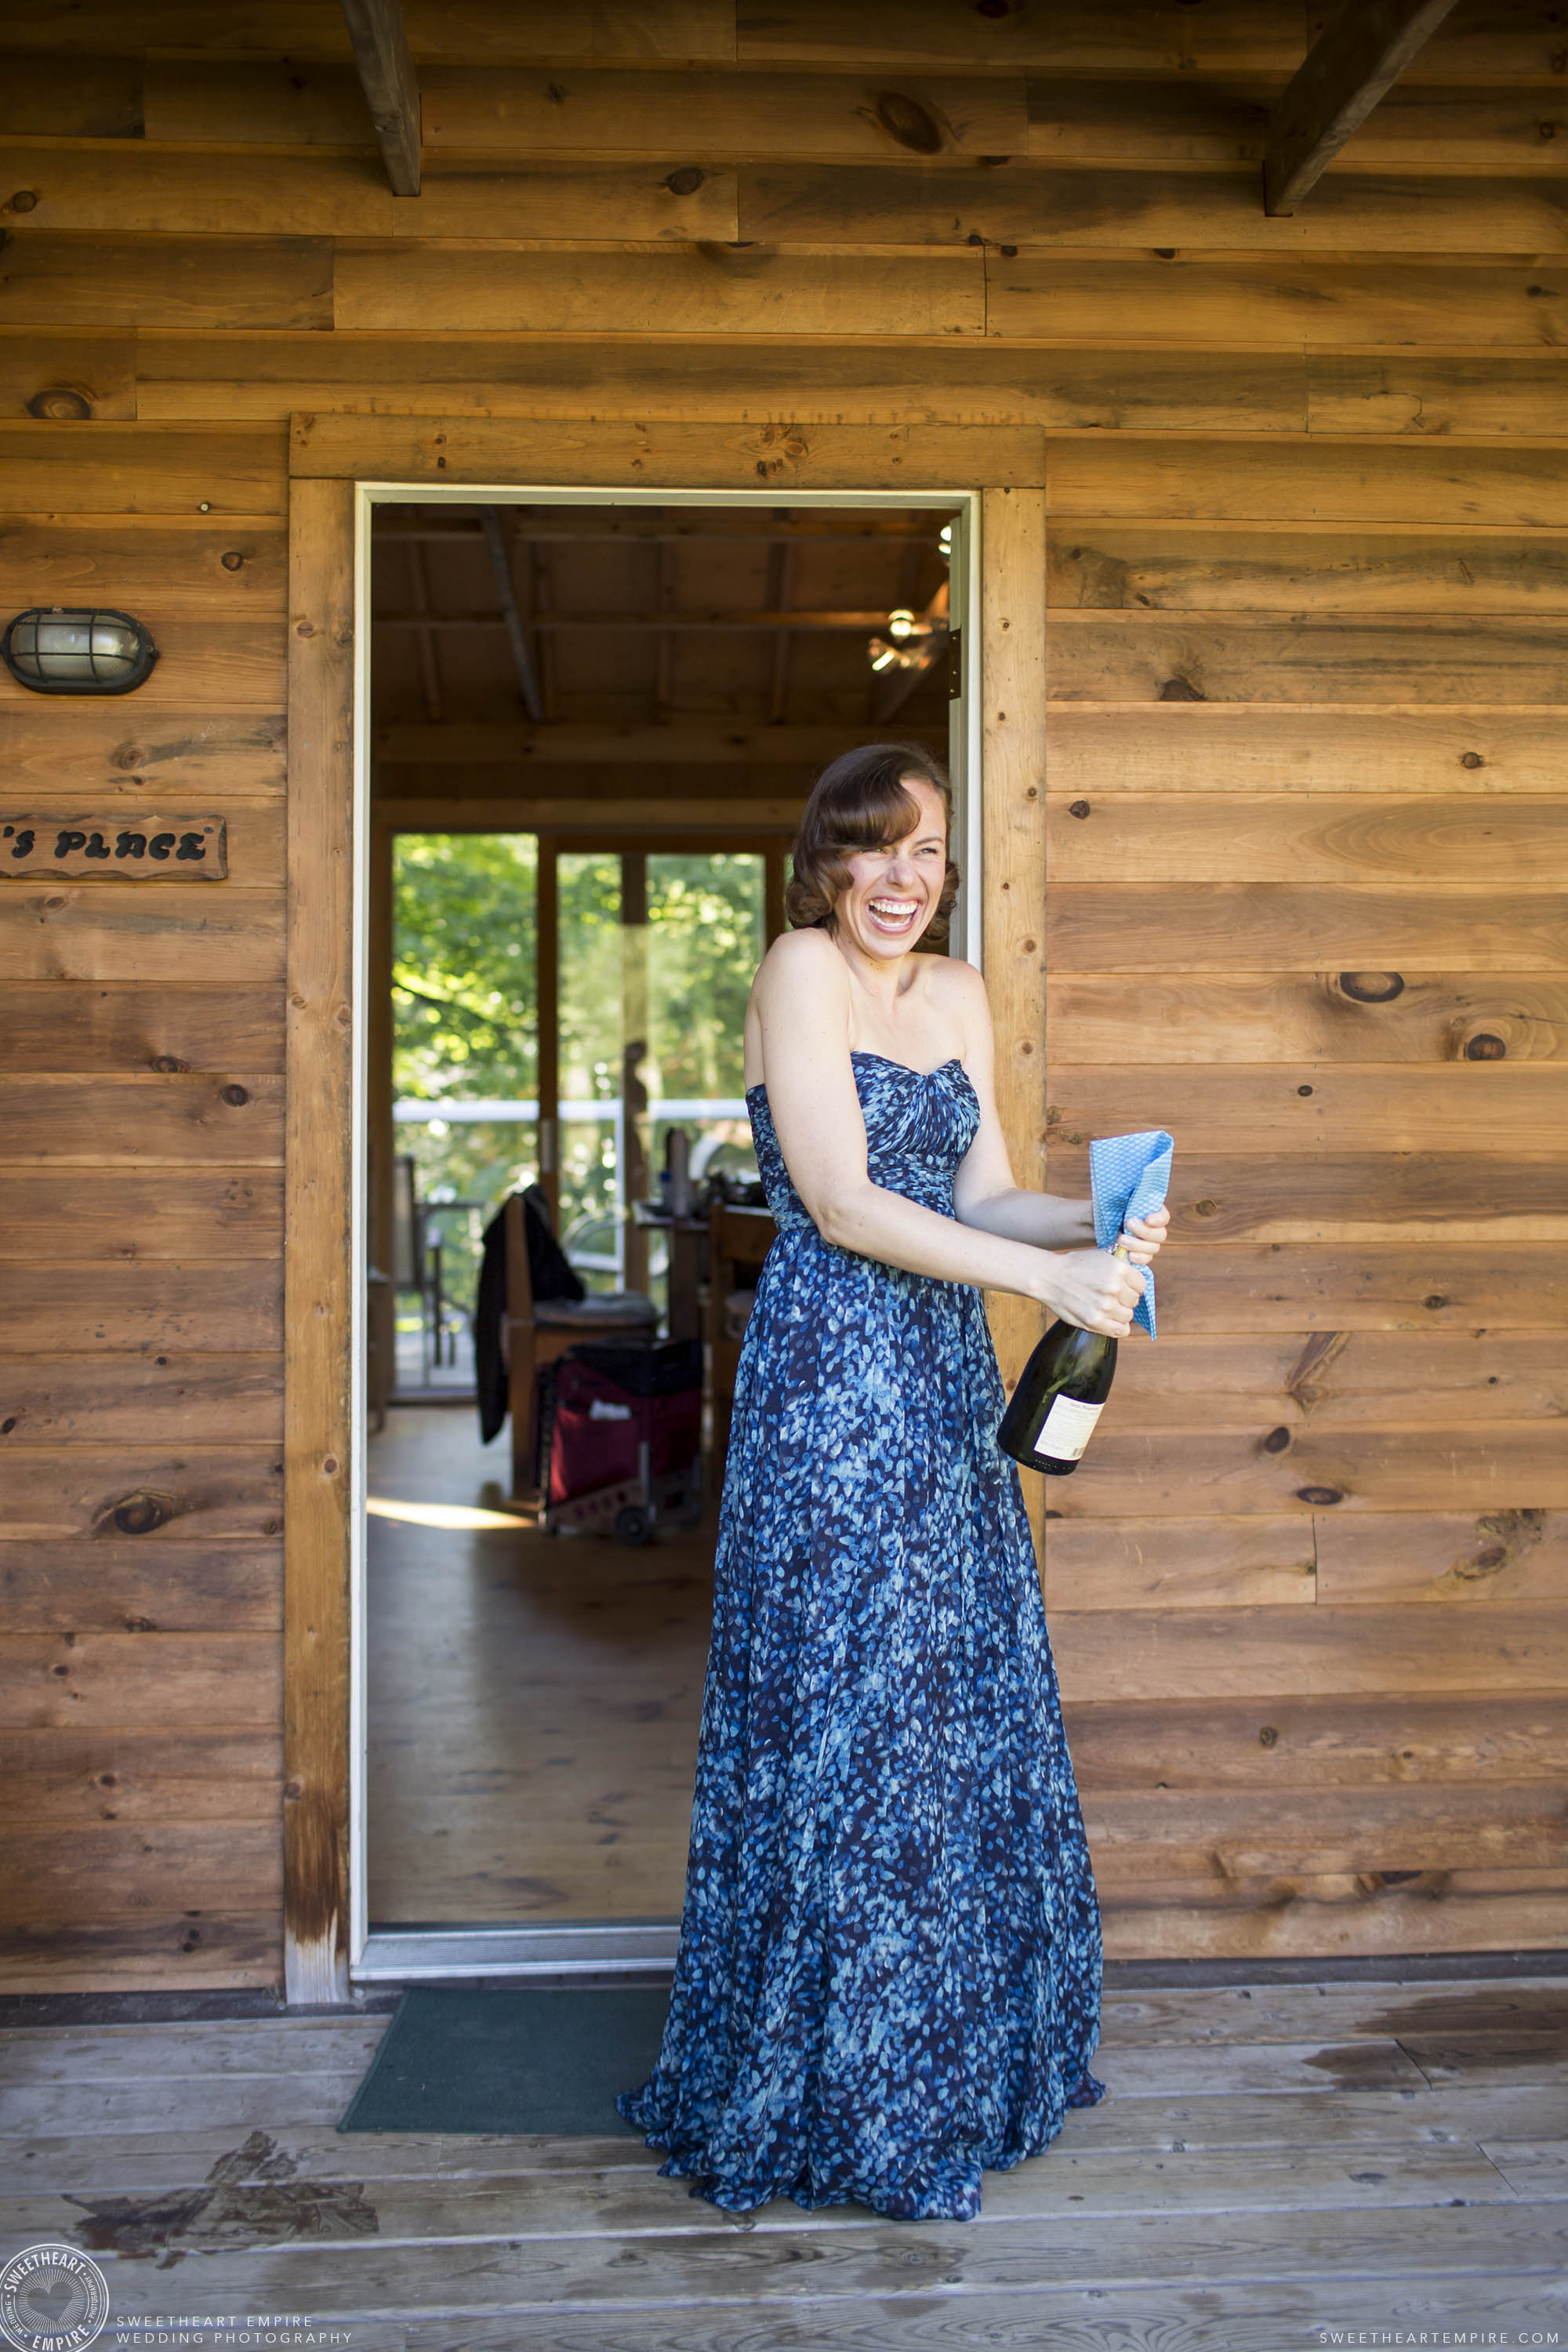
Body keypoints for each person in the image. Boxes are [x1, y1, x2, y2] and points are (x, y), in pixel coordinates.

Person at [618, 742, 1168, 2221]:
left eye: (926, 851)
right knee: (851, 1704)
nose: (902, 879)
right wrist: (1040, 1273)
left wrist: (1102, 1220)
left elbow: (979, 1189)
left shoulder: (964, 994)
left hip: (940, 1375)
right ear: (828, 865)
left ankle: (949, 2063)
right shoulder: (800, 968)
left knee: (950, 1697)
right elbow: (849, 1201)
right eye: (875, 850)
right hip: (832, 1380)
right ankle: (829, 2080)